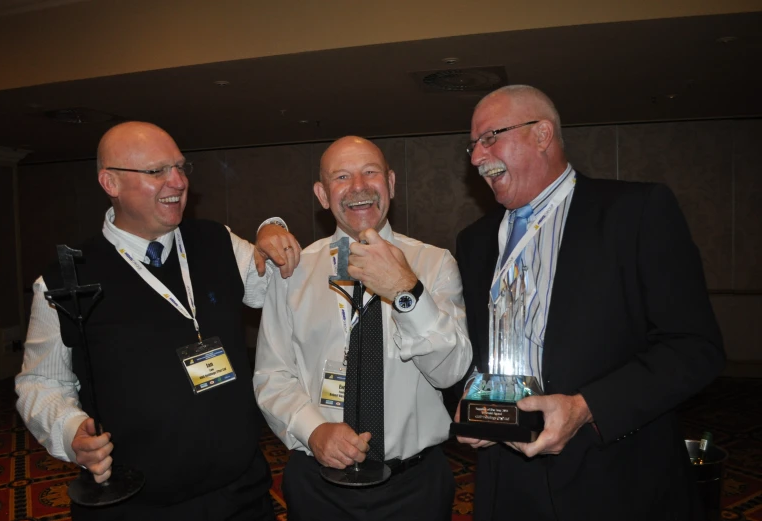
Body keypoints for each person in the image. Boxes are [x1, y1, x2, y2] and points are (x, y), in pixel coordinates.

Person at [454, 85, 725, 521]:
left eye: (490, 138)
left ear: (542, 134)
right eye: (472, 145)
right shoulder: (474, 242)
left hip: (615, 472)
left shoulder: (635, 212)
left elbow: (695, 347)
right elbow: (473, 352)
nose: (476, 157)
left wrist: (585, 408)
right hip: (505, 479)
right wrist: (471, 403)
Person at [15, 121, 303, 521]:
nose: (178, 181)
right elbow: (40, 383)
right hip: (135, 506)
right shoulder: (66, 280)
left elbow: (274, 281)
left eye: (181, 167)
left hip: (240, 495)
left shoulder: (216, 241)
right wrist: (69, 430)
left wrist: (272, 228)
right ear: (110, 183)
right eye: (156, 171)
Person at [253, 136, 472, 521]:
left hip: (414, 485)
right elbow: (273, 375)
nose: (358, 187)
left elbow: (449, 372)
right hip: (318, 484)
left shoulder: (434, 263)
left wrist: (406, 291)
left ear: (390, 183)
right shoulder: (294, 270)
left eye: (370, 172)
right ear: (323, 194)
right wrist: (315, 430)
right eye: (342, 176)